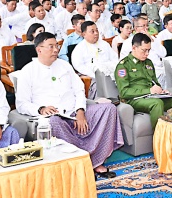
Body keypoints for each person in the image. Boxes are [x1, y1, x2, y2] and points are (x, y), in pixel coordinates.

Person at [15, 32, 122, 179]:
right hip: (53, 116)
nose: (56, 50)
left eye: (57, 46)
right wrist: (41, 109)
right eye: (51, 46)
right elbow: (21, 104)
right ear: (39, 49)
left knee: (109, 109)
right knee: (54, 122)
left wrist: (80, 111)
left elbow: (79, 91)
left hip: (74, 110)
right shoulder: (28, 71)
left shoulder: (65, 65)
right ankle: (78, 163)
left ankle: (96, 161)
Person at [114, 34, 172, 129]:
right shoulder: (123, 65)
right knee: (156, 103)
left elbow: (155, 82)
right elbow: (124, 92)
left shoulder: (148, 63)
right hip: (134, 100)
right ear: (134, 48)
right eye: (144, 50)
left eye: (149, 50)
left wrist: (161, 91)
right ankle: (159, 138)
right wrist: (150, 91)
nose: (147, 53)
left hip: (152, 96)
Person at [71, 21, 118, 98]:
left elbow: (115, 58)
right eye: (92, 31)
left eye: (97, 30)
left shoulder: (104, 44)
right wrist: (95, 74)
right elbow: (78, 66)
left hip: (111, 72)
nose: (96, 33)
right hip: (93, 76)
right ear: (84, 34)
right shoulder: (79, 48)